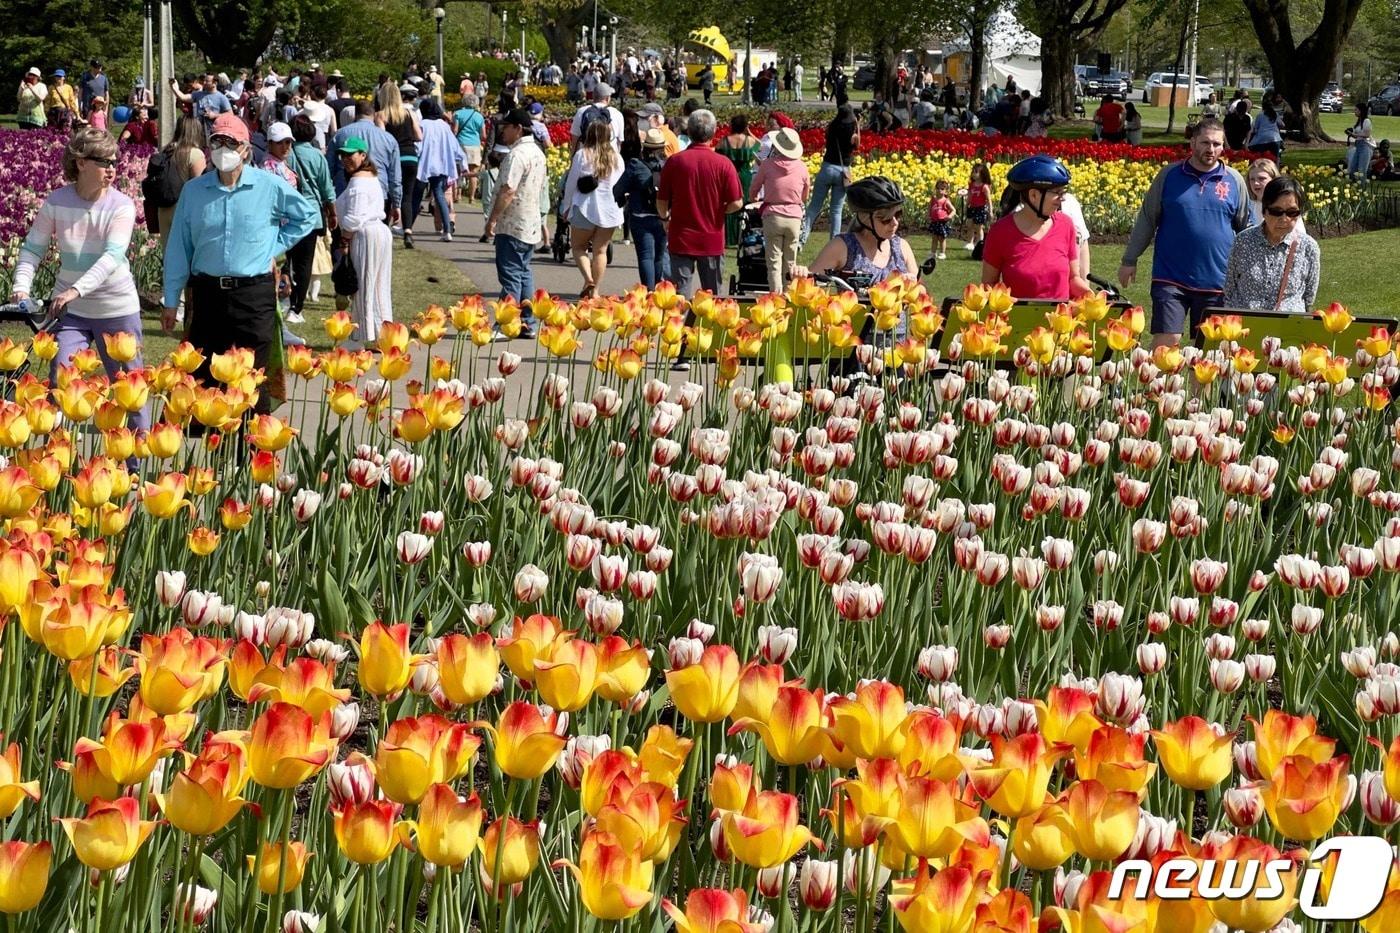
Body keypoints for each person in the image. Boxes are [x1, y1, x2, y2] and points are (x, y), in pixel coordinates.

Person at [160, 113, 317, 414]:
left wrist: (275, 246)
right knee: (207, 378)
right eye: (216, 141)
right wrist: (170, 300)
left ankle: (253, 453)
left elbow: (307, 216)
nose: (223, 149)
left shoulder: (269, 185)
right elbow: (179, 248)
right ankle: (219, 455)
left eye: (231, 142)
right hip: (208, 295)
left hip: (253, 295)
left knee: (252, 377)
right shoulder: (194, 192)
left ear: (246, 149)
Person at [10, 127, 149, 434]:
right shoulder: (57, 201)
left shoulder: (121, 205)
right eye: (103, 162)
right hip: (70, 313)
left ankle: (137, 467)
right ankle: (57, 463)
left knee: (130, 391)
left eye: (115, 161)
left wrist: (76, 289)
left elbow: (112, 257)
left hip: (116, 309)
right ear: (81, 162)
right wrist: (21, 286)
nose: (112, 169)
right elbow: (33, 248)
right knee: (61, 380)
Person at [1119, 117, 1250, 347]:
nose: (1211, 149)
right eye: (1205, 142)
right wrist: (1130, 259)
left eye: (1217, 144)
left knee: (1206, 350)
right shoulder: (1169, 176)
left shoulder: (1234, 180)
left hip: (1217, 281)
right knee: (1168, 340)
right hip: (1170, 278)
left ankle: (1192, 386)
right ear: (1192, 143)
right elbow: (1148, 219)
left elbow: (1246, 228)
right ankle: (1154, 384)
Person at [789, 176, 919, 351]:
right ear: (866, 219)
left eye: (898, 215)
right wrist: (801, 274)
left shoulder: (901, 247)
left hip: (895, 345)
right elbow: (809, 284)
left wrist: (913, 284)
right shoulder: (843, 246)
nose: (895, 223)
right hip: (853, 344)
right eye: (886, 219)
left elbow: (921, 294)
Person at [658, 109, 742, 303]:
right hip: (711, 238)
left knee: (680, 298)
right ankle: (708, 332)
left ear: (690, 132)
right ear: (713, 133)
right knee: (712, 298)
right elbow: (737, 202)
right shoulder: (723, 164)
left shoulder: (675, 162)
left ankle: (681, 332)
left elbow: (662, 200)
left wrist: (664, 218)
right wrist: (720, 210)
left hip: (681, 237)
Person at [981, 156, 1090, 301]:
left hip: (1061, 321)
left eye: (1063, 192)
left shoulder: (1066, 225)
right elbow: (988, 286)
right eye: (1057, 192)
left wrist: (1092, 298)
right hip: (1017, 320)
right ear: (1033, 195)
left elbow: (1073, 278)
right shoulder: (1000, 232)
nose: (1062, 198)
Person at [484, 107, 548, 334]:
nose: (503, 132)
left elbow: (508, 190)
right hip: (530, 222)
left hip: (513, 222)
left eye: (507, 127)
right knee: (523, 271)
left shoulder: (517, 155)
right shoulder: (538, 152)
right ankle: (527, 322)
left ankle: (506, 323)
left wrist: (492, 220)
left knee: (510, 274)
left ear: (518, 129)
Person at [1222, 175, 1319, 314]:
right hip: (1245, 328)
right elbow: (1229, 288)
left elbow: (1309, 297)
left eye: (1292, 212)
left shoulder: (1309, 247)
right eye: (1276, 211)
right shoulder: (1243, 241)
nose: (1284, 219)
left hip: (1287, 330)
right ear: (1264, 211)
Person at [333, 137, 394, 345]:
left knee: (363, 285)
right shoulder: (371, 177)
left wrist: (345, 240)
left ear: (363, 155)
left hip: (365, 234)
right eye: (343, 155)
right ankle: (382, 333)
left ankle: (363, 334)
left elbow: (354, 217)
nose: (346, 159)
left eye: (351, 154)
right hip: (378, 232)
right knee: (378, 285)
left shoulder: (358, 180)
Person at [280, 116, 337, 325]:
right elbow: (326, 188)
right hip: (311, 216)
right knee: (305, 265)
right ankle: (296, 308)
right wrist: (332, 213)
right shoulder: (317, 156)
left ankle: (284, 296)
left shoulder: (287, 154)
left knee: (286, 259)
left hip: (288, 215)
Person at [561, 120, 625, 298]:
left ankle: (588, 278)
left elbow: (571, 183)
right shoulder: (617, 157)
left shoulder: (582, 155)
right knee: (600, 251)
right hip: (610, 209)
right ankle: (595, 290)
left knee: (578, 247)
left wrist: (566, 207)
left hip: (585, 206)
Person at [743, 127, 806, 294]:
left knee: (773, 261)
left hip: (773, 215)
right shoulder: (801, 167)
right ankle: (789, 293)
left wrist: (754, 198)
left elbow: (754, 187)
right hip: (794, 217)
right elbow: (805, 194)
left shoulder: (768, 165)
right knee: (790, 261)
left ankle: (776, 295)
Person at [614, 127, 672, 289]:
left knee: (646, 256)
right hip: (663, 216)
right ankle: (660, 291)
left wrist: (623, 198)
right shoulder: (668, 165)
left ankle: (649, 292)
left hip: (640, 217)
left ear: (645, 147)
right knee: (659, 257)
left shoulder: (635, 165)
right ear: (662, 147)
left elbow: (618, 188)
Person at [801, 105, 859, 245]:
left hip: (827, 168)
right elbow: (857, 144)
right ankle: (834, 242)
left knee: (814, 207)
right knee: (836, 211)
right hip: (843, 171)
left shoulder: (832, 128)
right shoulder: (852, 133)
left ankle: (802, 238)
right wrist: (856, 125)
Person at [411, 98, 465, 243]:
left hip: (424, 165)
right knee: (439, 195)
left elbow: (418, 146)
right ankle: (447, 229)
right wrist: (462, 162)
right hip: (441, 165)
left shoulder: (422, 125)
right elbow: (454, 146)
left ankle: (408, 227)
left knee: (416, 196)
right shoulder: (444, 126)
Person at [374, 83, 422, 246]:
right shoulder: (408, 113)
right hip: (411, 157)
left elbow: (382, 138)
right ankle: (408, 231)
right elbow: (419, 136)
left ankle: (385, 229)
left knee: (388, 195)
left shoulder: (381, 115)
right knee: (407, 197)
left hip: (394, 158)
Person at [716, 115, 762, 248]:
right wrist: (750, 133)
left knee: (729, 203)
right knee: (744, 203)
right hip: (745, 175)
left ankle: (729, 237)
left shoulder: (724, 141)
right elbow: (761, 146)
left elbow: (717, 154)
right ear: (745, 126)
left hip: (728, 174)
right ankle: (742, 235)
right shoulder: (749, 141)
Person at [570, 83, 625, 153]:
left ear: (593, 96)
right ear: (607, 98)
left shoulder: (581, 111)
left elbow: (575, 139)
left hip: (586, 157)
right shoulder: (617, 114)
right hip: (609, 158)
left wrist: (573, 157)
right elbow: (619, 142)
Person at [453, 93, 487, 203]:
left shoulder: (457, 114)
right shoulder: (479, 116)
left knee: (458, 171)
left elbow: (455, 131)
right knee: (473, 172)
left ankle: (457, 195)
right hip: (474, 145)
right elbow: (483, 135)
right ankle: (471, 197)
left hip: (460, 144)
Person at [963, 162, 993, 251]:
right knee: (970, 225)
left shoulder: (984, 187)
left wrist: (990, 211)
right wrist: (966, 205)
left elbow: (989, 200)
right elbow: (969, 196)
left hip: (981, 208)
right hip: (972, 207)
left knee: (978, 227)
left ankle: (980, 243)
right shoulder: (971, 185)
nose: (973, 174)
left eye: (976, 172)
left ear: (982, 174)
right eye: (973, 171)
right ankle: (970, 242)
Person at [925, 179, 956, 264]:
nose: (939, 191)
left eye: (942, 189)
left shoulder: (945, 201)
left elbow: (953, 210)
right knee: (934, 238)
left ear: (946, 191)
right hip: (934, 222)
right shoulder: (933, 199)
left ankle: (942, 253)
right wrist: (928, 215)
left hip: (942, 222)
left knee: (942, 238)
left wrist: (949, 216)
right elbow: (929, 207)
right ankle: (933, 253)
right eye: (938, 188)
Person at [1246, 94, 1285, 160]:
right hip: (1275, 139)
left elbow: (1255, 128)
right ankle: (1276, 169)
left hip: (1262, 139)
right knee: (1276, 158)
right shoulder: (1275, 114)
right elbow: (1282, 125)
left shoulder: (1260, 115)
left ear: (1263, 107)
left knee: (1261, 157)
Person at [1243, 157, 1280, 224]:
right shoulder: (1246, 206)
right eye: (1252, 179)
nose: (1256, 183)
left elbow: (1299, 233)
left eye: (1261, 178)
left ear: (1274, 179)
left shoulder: (1285, 204)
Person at [1345, 103, 1375, 181]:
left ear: (1361, 111)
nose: (1355, 111)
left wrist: (1355, 134)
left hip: (1365, 147)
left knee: (1362, 170)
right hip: (1358, 146)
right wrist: (1350, 134)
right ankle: (1353, 188)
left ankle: (1362, 190)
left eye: (1356, 110)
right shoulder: (1359, 122)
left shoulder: (1366, 121)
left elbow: (1367, 134)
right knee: (1352, 169)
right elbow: (1356, 136)